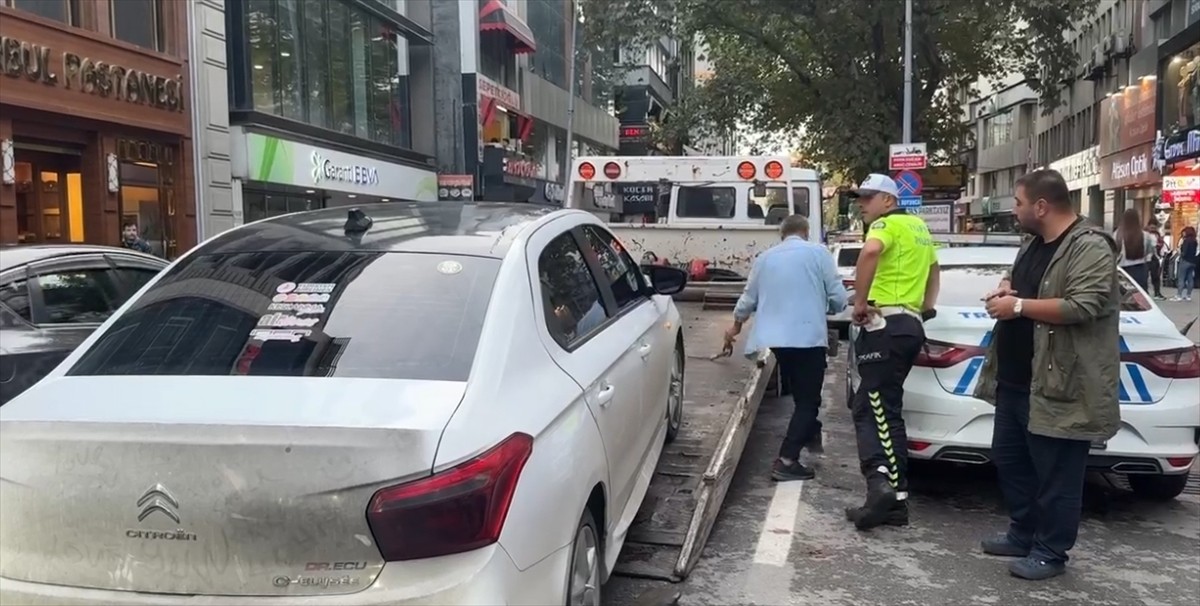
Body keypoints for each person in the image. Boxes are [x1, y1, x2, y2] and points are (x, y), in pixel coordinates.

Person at [973, 169, 1120, 581]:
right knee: (1010, 460)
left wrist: (1018, 308)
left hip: (1062, 385)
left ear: (1041, 206)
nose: (1014, 211)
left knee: (1058, 475)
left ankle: (1051, 551)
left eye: (1018, 203)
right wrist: (1007, 287)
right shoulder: (1034, 243)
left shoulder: (1089, 246)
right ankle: (1023, 533)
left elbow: (1083, 305)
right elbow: (1025, 284)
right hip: (1018, 381)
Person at [842, 174, 939, 530]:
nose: (862, 205)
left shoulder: (885, 225)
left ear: (887, 199)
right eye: (860, 198)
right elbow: (933, 271)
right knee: (890, 411)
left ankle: (878, 483)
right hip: (911, 324)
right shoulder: (920, 229)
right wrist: (926, 308)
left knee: (867, 408)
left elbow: (870, 252)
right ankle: (897, 501)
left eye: (868, 198)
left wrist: (861, 302)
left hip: (885, 323)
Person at [724, 215, 847, 482]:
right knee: (808, 401)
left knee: (801, 393)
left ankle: (810, 432)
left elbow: (748, 298)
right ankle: (787, 460)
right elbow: (838, 297)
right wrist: (832, 307)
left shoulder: (765, 258)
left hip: (777, 341)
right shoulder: (819, 253)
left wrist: (734, 328)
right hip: (807, 339)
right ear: (806, 232)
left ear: (782, 234)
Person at [1113, 208, 1155, 292]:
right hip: (1140, 269)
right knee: (1140, 295)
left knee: (1124, 295)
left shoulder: (1117, 234)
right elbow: (1150, 251)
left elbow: (1114, 251)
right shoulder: (1145, 235)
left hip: (1122, 270)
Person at [1173, 226, 1197, 302]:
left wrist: (1179, 252)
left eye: (1184, 231)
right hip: (1192, 262)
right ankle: (1188, 295)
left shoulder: (1186, 241)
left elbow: (1184, 253)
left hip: (1185, 261)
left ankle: (1179, 295)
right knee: (1190, 278)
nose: (1183, 233)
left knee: (1181, 278)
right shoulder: (1195, 241)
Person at [1145, 219, 1167, 299]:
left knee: (1156, 276)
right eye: (1151, 227)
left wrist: (1158, 246)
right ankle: (1145, 293)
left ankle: (1157, 293)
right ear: (1148, 226)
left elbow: (1161, 243)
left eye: (1154, 227)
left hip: (1155, 257)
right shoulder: (1144, 233)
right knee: (1145, 276)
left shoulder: (1157, 234)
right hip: (1146, 257)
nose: (1153, 229)